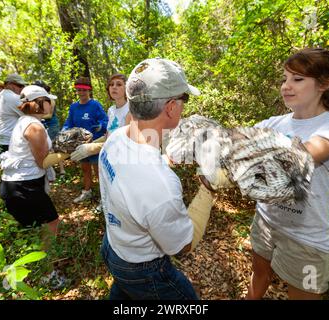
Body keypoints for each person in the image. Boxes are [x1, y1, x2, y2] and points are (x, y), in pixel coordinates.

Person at [98, 58, 233, 300]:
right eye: (184, 100)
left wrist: (165, 159)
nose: (183, 108)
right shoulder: (160, 185)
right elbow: (183, 246)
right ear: (171, 107)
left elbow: (137, 174)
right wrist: (208, 187)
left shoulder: (117, 138)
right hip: (144, 269)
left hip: (114, 247)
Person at [246, 48, 329, 300]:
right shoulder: (273, 124)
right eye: (284, 79)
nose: (286, 86)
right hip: (266, 221)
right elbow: (234, 145)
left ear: (325, 83)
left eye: (297, 79)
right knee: (258, 274)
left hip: (306, 237)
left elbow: (304, 156)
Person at [0, 85, 60, 237]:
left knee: (33, 228)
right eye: (48, 100)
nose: (51, 104)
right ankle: (47, 258)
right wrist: (67, 154)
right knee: (51, 222)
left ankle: (37, 256)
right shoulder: (34, 127)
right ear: (39, 102)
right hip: (24, 185)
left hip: (18, 183)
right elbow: (43, 162)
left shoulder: (24, 120)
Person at [62, 76, 108, 203]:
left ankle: (103, 198)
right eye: (79, 90)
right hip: (80, 144)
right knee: (85, 169)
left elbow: (105, 120)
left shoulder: (95, 105)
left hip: (94, 144)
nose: (81, 93)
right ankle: (87, 191)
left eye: (84, 90)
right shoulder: (74, 107)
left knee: (98, 171)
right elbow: (69, 122)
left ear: (89, 91)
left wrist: (101, 126)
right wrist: (64, 130)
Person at [0, 74, 26, 155]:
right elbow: (31, 116)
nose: (22, 88)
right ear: (9, 84)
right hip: (7, 141)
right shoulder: (14, 97)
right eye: (20, 85)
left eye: (23, 86)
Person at [34, 80, 66, 175]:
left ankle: (61, 169)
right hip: (43, 125)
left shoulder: (50, 99)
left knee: (55, 146)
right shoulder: (39, 100)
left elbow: (49, 115)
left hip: (52, 125)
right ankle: (50, 169)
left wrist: (35, 115)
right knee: (46, 147)